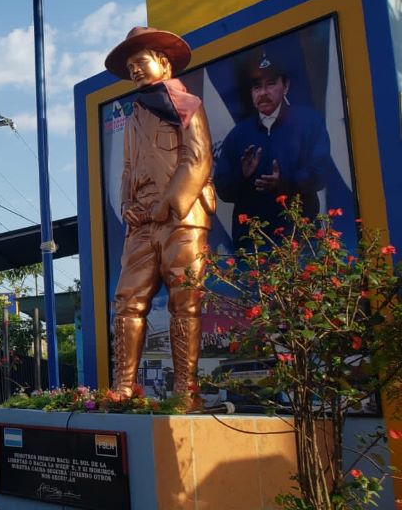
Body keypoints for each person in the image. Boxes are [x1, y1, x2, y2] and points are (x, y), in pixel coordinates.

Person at [104, 27, 215, 405]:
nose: (135, 69)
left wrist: (165, 205)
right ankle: (123, 388)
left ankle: (186, 391)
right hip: (141, 225)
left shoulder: (188, 106)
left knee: (185, 301)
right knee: (127, 301)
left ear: (164, 64)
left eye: (142, 61)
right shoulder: (134, 116)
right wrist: (126, 207)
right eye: (131, 65)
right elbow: (127, 169)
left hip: (181, 218)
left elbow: (197, 159)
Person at [215, 50, 331, 240]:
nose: (263, 93)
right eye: (256, 87)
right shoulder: (238, 134)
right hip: (253, 246)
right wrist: (242, 175)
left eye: (270, 84)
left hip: (299, 240)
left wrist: (284, 182)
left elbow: (320, 174)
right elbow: (223, 190)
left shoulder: (309, 123)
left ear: (285, 86)